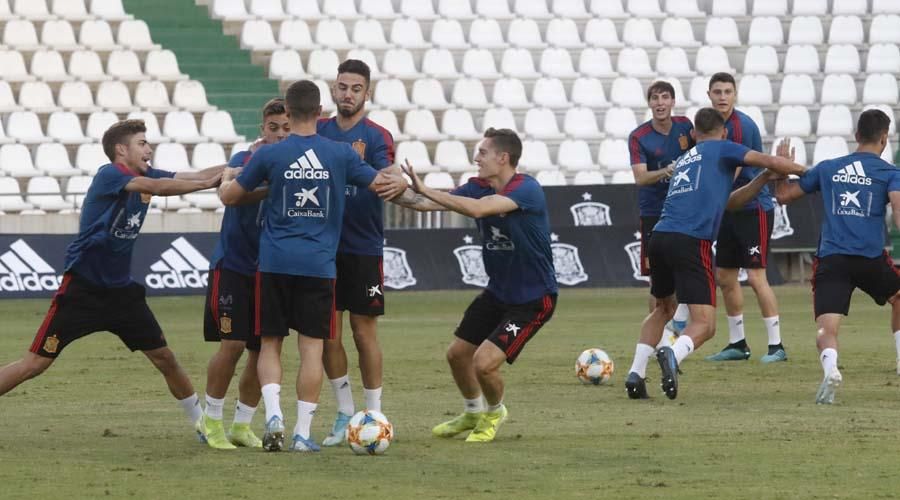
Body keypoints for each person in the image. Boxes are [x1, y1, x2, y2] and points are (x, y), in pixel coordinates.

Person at [0, 119, 222, 439]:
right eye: (142, 143)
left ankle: (203, 424)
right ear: (121, 150)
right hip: (83, 289)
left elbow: (196, 175)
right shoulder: (110, 175)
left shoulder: (144, 174)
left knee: (165, 358)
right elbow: (163, 188)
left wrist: (244, 163)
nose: (149, 149)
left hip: (121, 294)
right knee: (34, 365)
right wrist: (207, 185)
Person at [218, 80, 406, 452]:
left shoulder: (269, 156)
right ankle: (303, 434)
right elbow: (381, 184)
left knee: (270, 343)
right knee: (312, 349)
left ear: (287, 113)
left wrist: (227, 180)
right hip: (319, 265)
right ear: (320, 113)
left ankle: (274, 415)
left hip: (273, 262)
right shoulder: (340, 155)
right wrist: (399, 178)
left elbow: (232, 197)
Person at [623, 108, 806, 400]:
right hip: (690, 241)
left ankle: (635, 373)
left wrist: (762, 179)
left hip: (660, 236)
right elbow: (770, 159)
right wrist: (810, 173)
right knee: (705, 325)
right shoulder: (723, 148)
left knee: (663, 309)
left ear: (694, 135)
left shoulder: (686, 160)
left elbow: (729, 202)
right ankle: (672, 352)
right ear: (723, 133)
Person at [395, 128, 558, 443]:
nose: (476, 158)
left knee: (483, 363)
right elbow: (424, 204)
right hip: (497, 293)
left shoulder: (527, 189)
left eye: (482, 153)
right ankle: (472, 412)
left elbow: (477, 209)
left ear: (503, 157)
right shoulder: (477, 186)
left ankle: (495, 412)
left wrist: (425, 188)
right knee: (457, 355)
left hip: (533, 300)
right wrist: (386, 188)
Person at [772, 109, 900, 403]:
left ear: (856, 137)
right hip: (870, 259)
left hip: (832, 260)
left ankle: (831, 370)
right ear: (884, 139)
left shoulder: (828, 167)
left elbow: (783, 195)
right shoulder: (890, 173)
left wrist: (780, 172)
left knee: (827, 328)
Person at [199, 98, 290, 450]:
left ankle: (241, 424)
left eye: (286, 128)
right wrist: (278, 184)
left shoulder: (297, 165)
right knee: (233, 343)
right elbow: (234, 193)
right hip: (234, 266)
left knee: (260, 349)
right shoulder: (243, 161)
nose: (280, 135)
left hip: (269, 271)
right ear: (262, 129)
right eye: (273, 128)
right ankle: (211, 419)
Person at [316, 60, 396, 446]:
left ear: (368, 92)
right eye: (342, 87)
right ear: (333, 89)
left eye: (356, 88)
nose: (348, 94)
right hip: (322, 246)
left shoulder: (377, 135)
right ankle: (346, 412)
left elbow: (386, 179)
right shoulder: (318, 131)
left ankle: (374, 411)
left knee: (364, 334)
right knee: (328, 333)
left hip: (363, 246)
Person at [706, 72, 787, 363]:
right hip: (728, 210)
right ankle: (737, 343)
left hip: (754, 209)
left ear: (735, 94)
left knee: (755, 276)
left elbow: (734, 170)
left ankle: (776, 346)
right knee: (725, 276)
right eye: (717, 92)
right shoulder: (708, 126)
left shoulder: (740, 127)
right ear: (709, 95)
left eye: (728, 91)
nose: (723, 97)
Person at [628, 80, 695, 337]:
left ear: (673, 101)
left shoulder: (685, 126)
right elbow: (640, 178)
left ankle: (673, 338)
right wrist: (667, 171)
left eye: (664, 97)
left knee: (683, 277)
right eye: (655, 98)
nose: (660, 103)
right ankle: (656, 337)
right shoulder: (639, 136)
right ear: (649, 103)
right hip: (654, 213)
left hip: (684, 210)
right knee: (657, 282)